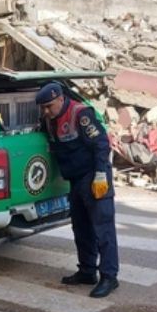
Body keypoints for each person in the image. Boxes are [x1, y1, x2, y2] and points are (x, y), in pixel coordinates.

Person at [36, 81, 119, 298]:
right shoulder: (48, 119)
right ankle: (87, 271)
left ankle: (109, 277)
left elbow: (101, 144)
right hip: (75, 180)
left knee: (103, 229)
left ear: (61, 99)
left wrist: (101, 174)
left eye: (49, 106)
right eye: (43, 107)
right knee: (81, 229)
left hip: (94, 176)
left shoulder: (81, 114)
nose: (46, 111)